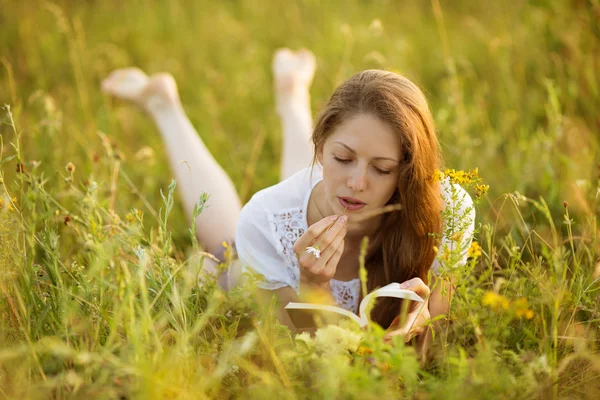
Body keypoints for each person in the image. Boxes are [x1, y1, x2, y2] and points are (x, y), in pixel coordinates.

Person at [101, 48, 475, 352]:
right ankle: (165, 105)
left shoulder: (448, 212)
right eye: (342, 159)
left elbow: (431, 349)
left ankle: (292, 93)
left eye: (382, 168)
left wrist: (423, 319)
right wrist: (312, 285)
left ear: (408, 171)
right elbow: (306, 356)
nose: (357, 183)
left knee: (311, 191)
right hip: (264, 262)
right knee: (225, 249)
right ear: (321, 148)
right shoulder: (265, 220)